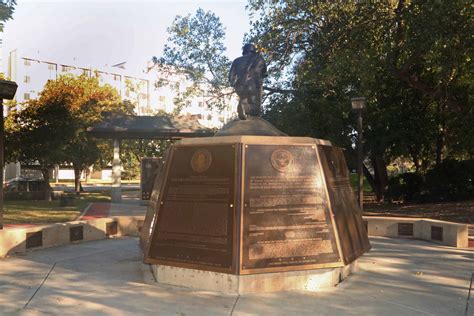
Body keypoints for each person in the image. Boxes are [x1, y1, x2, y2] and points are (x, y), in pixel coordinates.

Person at [229, 44, 267, 120]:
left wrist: (233, 84)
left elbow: (231, 76)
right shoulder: (259, 58)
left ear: (244, 51)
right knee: (253, 101)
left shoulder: (236, 61)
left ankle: (242, 106)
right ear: (253, 50)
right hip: (252, 84)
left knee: (243, 97)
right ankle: (248, 113)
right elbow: (264, 73)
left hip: (239, 85)